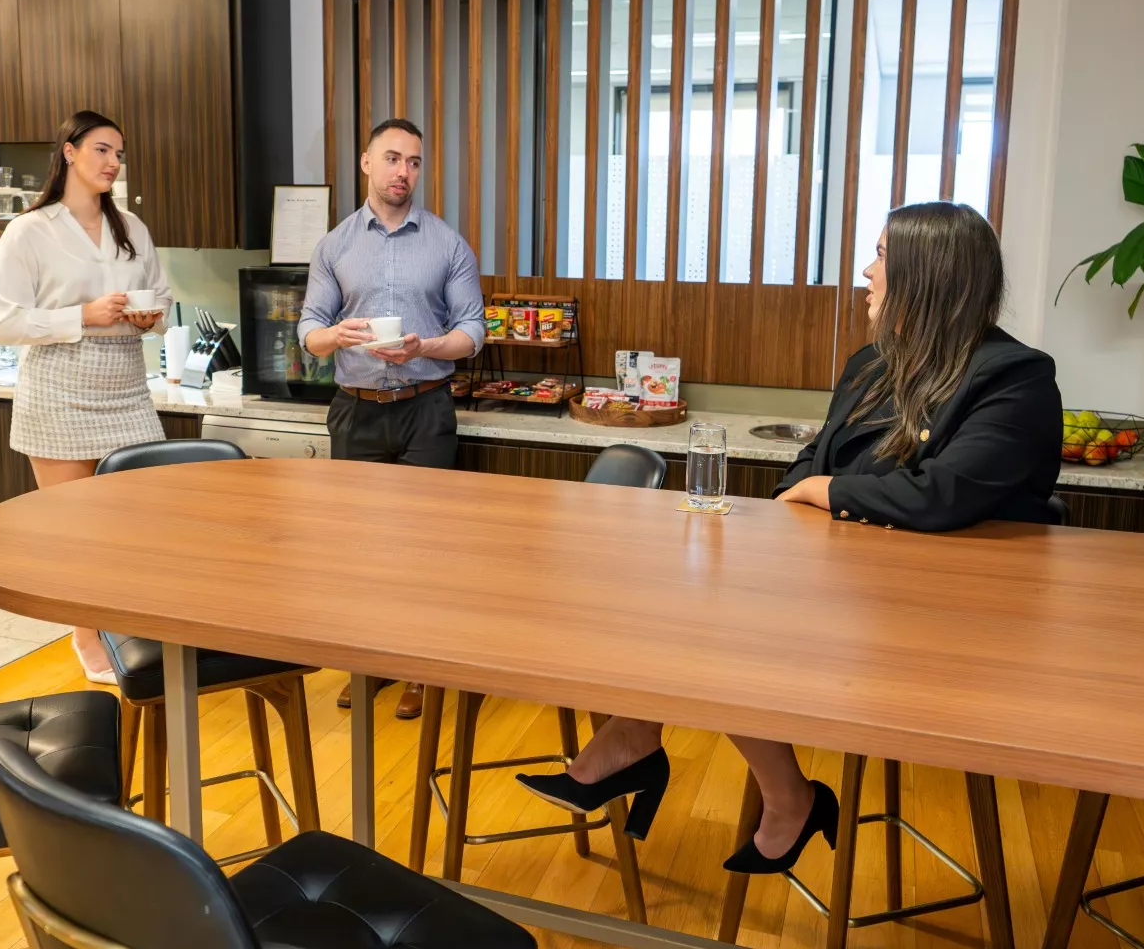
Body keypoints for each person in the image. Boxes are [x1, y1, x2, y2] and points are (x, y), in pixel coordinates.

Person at [518, 201, 1062, 874]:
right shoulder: (871, 365)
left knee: (720, 628)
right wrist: (794, 501)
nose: (866, 272)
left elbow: (941, 494)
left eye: (881, 256)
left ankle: (693, 761)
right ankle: (702, 763)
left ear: (926, 275)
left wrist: (821, 493)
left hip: (947, 620)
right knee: (693, 607)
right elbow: (809, 463)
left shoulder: (1014, 378)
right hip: (851, 589)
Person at [298, 117, 485, 718]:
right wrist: (335, 335)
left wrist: (424, 347)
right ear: (366, 163)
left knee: (423, 551)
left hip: (426, 409)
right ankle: (369, 664)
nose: (403, 171)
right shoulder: (334, 245)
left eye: (413, 162)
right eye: (393, 158)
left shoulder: (449, 244)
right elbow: (307, 333)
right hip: (356, 411)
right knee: (361, 553)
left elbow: (473, 333)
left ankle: (419, 673)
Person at [0, 110, 170, 685]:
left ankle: (127, 624)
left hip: (125, 383)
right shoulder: (29, 230)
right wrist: (81, 316)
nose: (113, 162)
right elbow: (4, 323)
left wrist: (148, 318)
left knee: (138, 526)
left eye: (119, 152)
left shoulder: (132, 227)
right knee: (75, 535)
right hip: (58, 386)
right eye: (101, 150)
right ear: (68, 152)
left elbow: (162, 298)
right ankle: (86, 635)